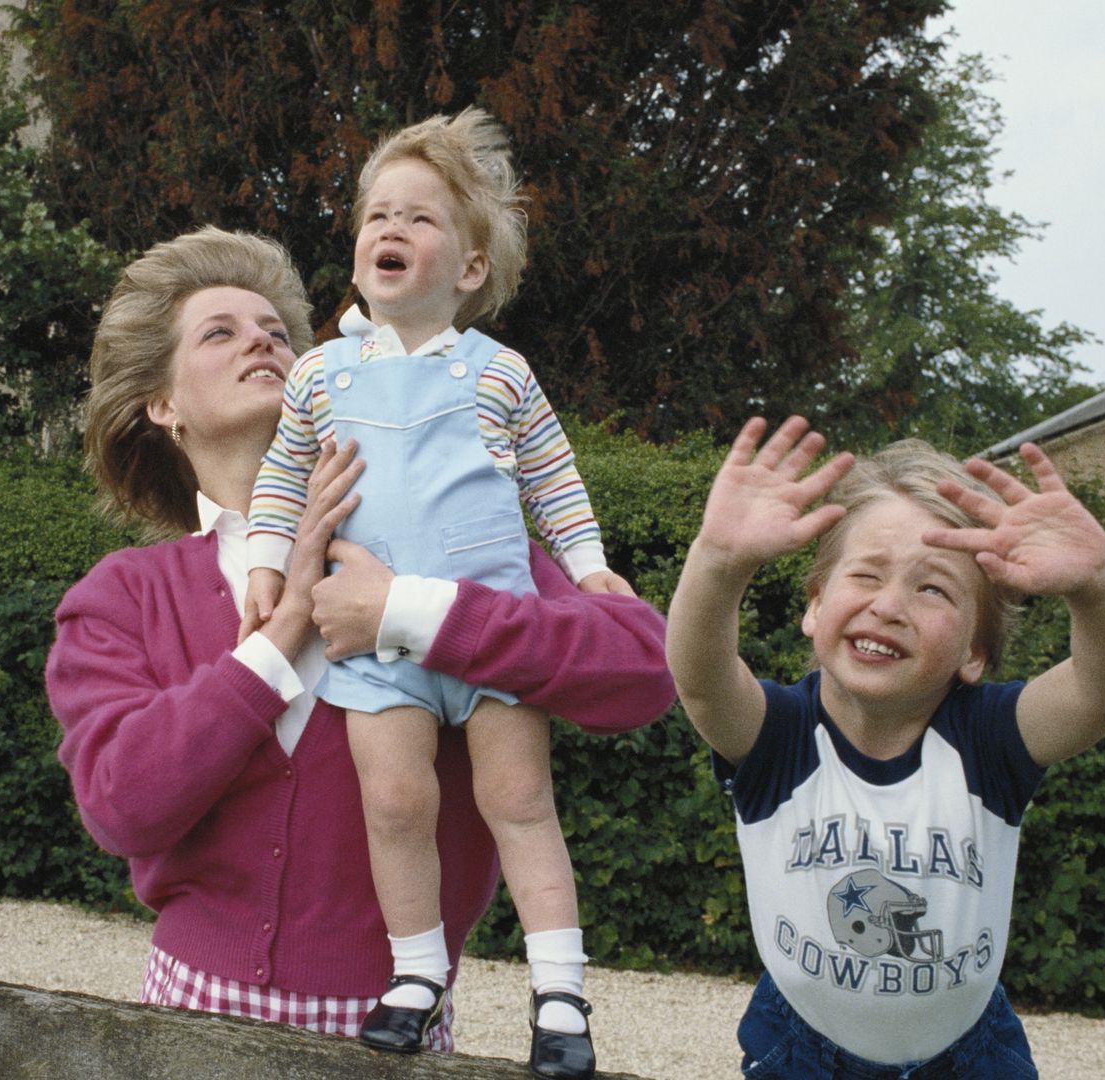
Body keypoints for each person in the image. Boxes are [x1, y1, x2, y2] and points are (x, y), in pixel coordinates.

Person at [45, 226, 673, 1070]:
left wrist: (412, 612)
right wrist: (287, 625)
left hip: (396, 1041)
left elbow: (642, 672)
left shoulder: (460, 551)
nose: (263, 339)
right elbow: (122, 806)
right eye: (220, 331)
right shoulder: (122, 596)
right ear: (163, 406)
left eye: (275, 328)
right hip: (188, 1022)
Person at [237, 108, 621, 1075]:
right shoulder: (322, 374)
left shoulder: (503, 374)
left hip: (488, 635)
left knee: (519, 798)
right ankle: (415, 975)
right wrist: (266, 565)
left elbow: (554, 482)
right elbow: (283, 478)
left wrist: (586, 569)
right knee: (397, 801)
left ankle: (561, 992)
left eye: (419, 219)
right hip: (374, 646)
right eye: (376, 216)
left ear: (472, 269)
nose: (390, 231)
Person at [666, 417, 1105, 1079]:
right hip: (802, 1047)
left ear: (975, 651)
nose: (889, 606)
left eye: (932, 589)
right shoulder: (777, 735)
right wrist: (718, 561)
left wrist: (1101, 586)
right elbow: (698, 675)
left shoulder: (991, 739)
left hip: (969, 1052)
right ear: (815, 605)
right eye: (866, 576)